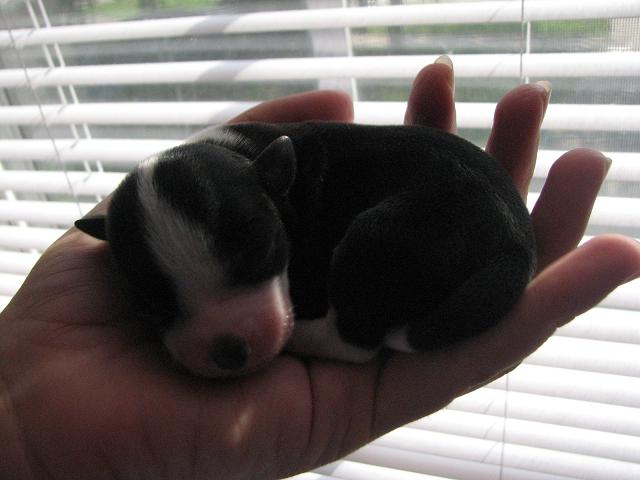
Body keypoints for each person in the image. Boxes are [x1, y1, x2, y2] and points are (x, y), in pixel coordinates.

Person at [1, 58, 639, 480]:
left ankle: (353, 338)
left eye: (250, 268)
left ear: (277, 183)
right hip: (465, 232)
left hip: (459, 228)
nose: (224, 334)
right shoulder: (259, 188)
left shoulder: (289, 172)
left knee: (381, 244)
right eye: (166, 305)